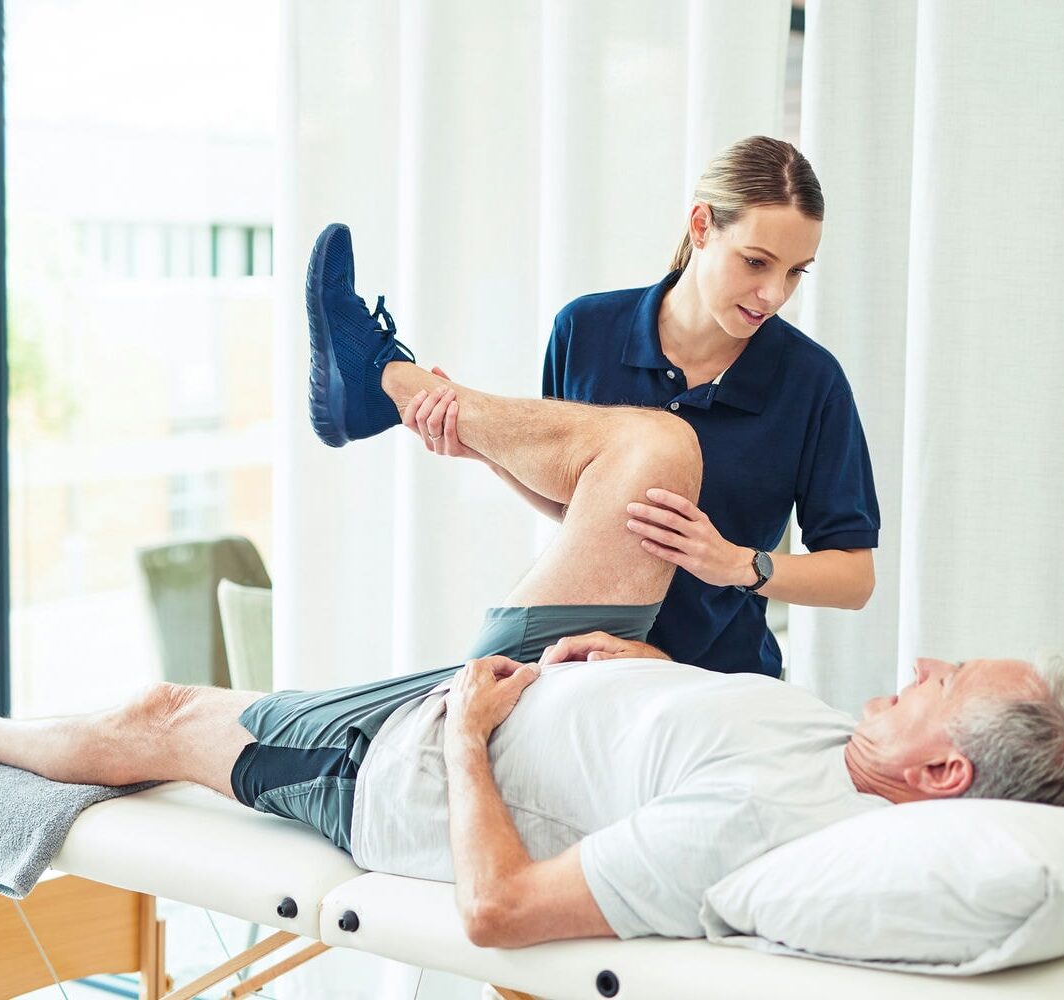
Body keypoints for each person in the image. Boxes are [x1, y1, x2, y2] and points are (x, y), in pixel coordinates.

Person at [0, 344, 1064, 947]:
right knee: (655, 453)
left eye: (946, 683)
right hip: (525, 684)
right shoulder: (844, 749)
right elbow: (706, 726)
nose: (924, 662)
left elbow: (497, 911)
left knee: (168, 716)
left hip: (417, 770)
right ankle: (382, 381)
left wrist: (476, 746)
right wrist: (643, 671)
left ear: (941, 775)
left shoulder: (759, 841)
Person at [358, 136, 878, 678]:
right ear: (701, 226)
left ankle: (384, 379)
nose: (774, 294)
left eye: (796, 271)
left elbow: (854, 578)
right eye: (756, 262)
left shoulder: (811, 382)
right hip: (573, 659)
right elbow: (579, 507)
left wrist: (737, 564)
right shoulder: (585, 330)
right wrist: (488, 453)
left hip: (711, 676)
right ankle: (403, 388)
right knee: (440, 715)